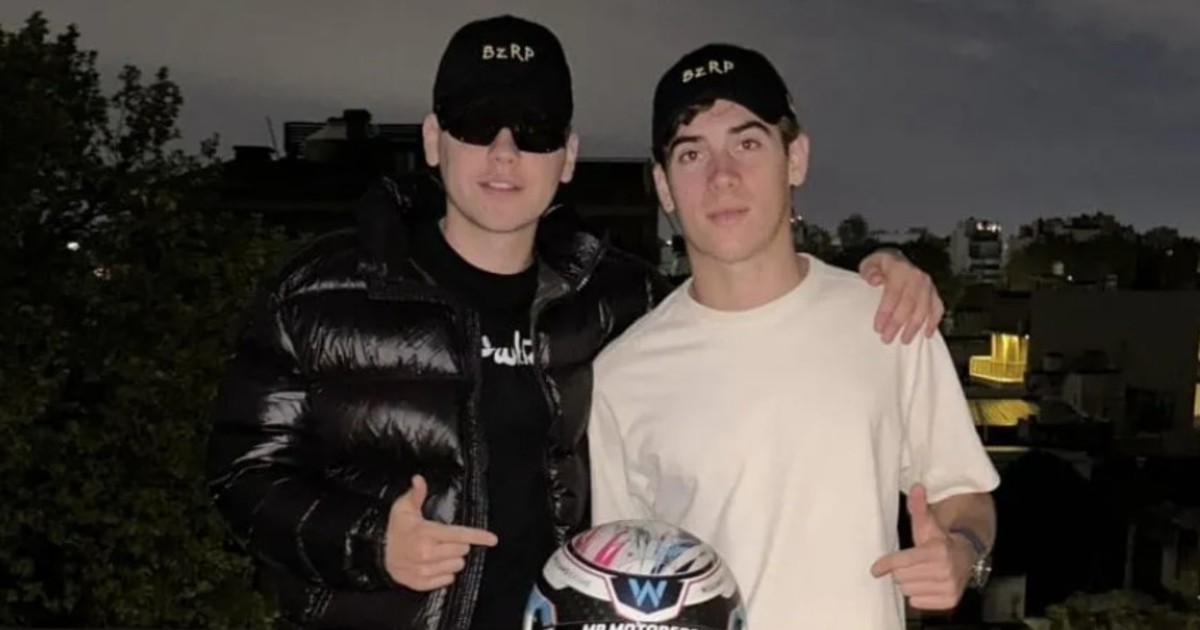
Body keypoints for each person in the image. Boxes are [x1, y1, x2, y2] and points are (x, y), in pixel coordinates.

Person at [207, 17, 945, 630]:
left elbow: (744, 314)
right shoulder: (324, 290)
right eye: (476, 126)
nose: (504, 153)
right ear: (434, 141)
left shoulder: (619, 301)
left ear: (567, 157)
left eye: (533, 131)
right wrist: (371, 542)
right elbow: (242, 475)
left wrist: (881, 271)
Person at [587, 43, 1000, 630]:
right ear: (663, 185)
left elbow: (964, 496)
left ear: (796, 158)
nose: (722, 176)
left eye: (748, 144)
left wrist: (962, 553)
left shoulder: (889, 319)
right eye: (691, 153)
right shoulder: (621, 377)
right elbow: (622, 584)